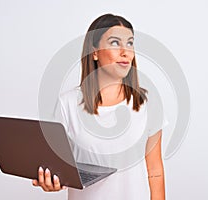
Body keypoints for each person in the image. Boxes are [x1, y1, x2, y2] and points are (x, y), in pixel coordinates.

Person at [32, 13, 166, 200]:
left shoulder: (147, 103)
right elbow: (59, 169)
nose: (125, 52)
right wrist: (53, 181)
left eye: (130, 43)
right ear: (94, 52)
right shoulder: (68, 104)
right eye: (114, 43)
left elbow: (155, 170)